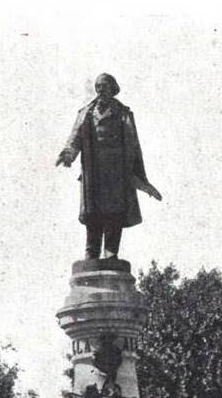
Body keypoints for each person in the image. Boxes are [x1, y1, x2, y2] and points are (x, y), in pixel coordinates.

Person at [56, 73, 161, 259]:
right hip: (93, 170)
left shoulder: (123, 113)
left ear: (113, 88)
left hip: (115, 172)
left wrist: (139, 178)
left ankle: (111, 250)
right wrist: (68, 155)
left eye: (104, 85)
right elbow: (75, 137)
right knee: (93, 212)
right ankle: (91, 250)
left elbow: (133, 144)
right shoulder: (86, 113)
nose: (100, 89)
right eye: (97, 86)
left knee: (114, 212)